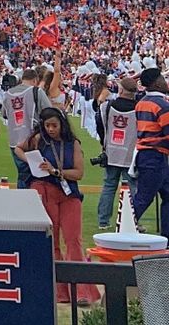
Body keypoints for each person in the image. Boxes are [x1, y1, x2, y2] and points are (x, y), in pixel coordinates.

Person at [14, 108, 99, 306]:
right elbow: (18, 148)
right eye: (47, 126)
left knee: (73, 240)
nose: (51, 129)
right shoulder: (37, 139)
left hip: (68, 192)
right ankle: (59, 291)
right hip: (43, 189)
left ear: (62, 124)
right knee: (51, 242)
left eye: (54, 125)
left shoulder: (73, 144)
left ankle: (80, 291)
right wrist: (30, 161)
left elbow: (79, 173)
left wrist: (55, 171)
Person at [96, 76, 138, 230]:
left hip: (112, 151)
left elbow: (100, 126)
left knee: (109, 186)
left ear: (120, 90)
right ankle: (134, 220)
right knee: (132, 188)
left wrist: (104, 144)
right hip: (130, 153)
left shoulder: (107, 106)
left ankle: (103, 221)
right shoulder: (138, 108)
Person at [133, 67, 169, 238]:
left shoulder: (142, 102)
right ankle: (125, 227)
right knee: (143, 198)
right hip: (156, 155)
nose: (165, 81)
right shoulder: (163, 105)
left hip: (145, 153)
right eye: (162, 78)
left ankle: (166, 236)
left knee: (163, 194)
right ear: (156, 83)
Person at [3, 68, 51, 188]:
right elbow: (49, 112)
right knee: (35, 175)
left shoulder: (8, 93)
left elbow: (4, 113)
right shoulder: (36, 91)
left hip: (14, 140)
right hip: (32, 139)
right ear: (35, 80)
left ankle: (22, 200)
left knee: (22, 173)